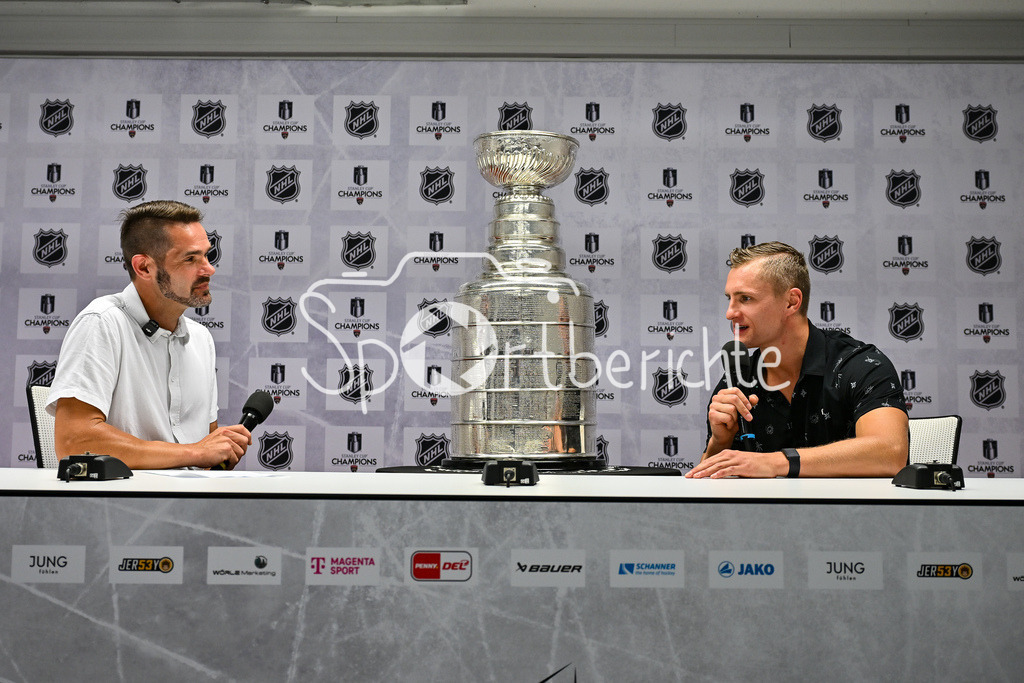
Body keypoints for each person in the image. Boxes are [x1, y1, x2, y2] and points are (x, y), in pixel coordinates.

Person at [46, 200, 251, 469]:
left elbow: (205, 454)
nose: (209, 269)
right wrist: (193, 453)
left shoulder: (202, 339)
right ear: (144, 267)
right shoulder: (102, 323)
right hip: (125, 506)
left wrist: (220, 452)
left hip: (193, 505)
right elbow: (73, 442)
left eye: (206, 255)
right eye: (191, 258)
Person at [687, 241, 908, 479]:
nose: (730, 313)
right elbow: (706, 485)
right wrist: (719, 443)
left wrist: (775, 463)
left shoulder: (861, 365)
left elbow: (890, 453)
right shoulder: (737, 380)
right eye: (729, 298)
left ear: (792, 302)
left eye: (746, 299)